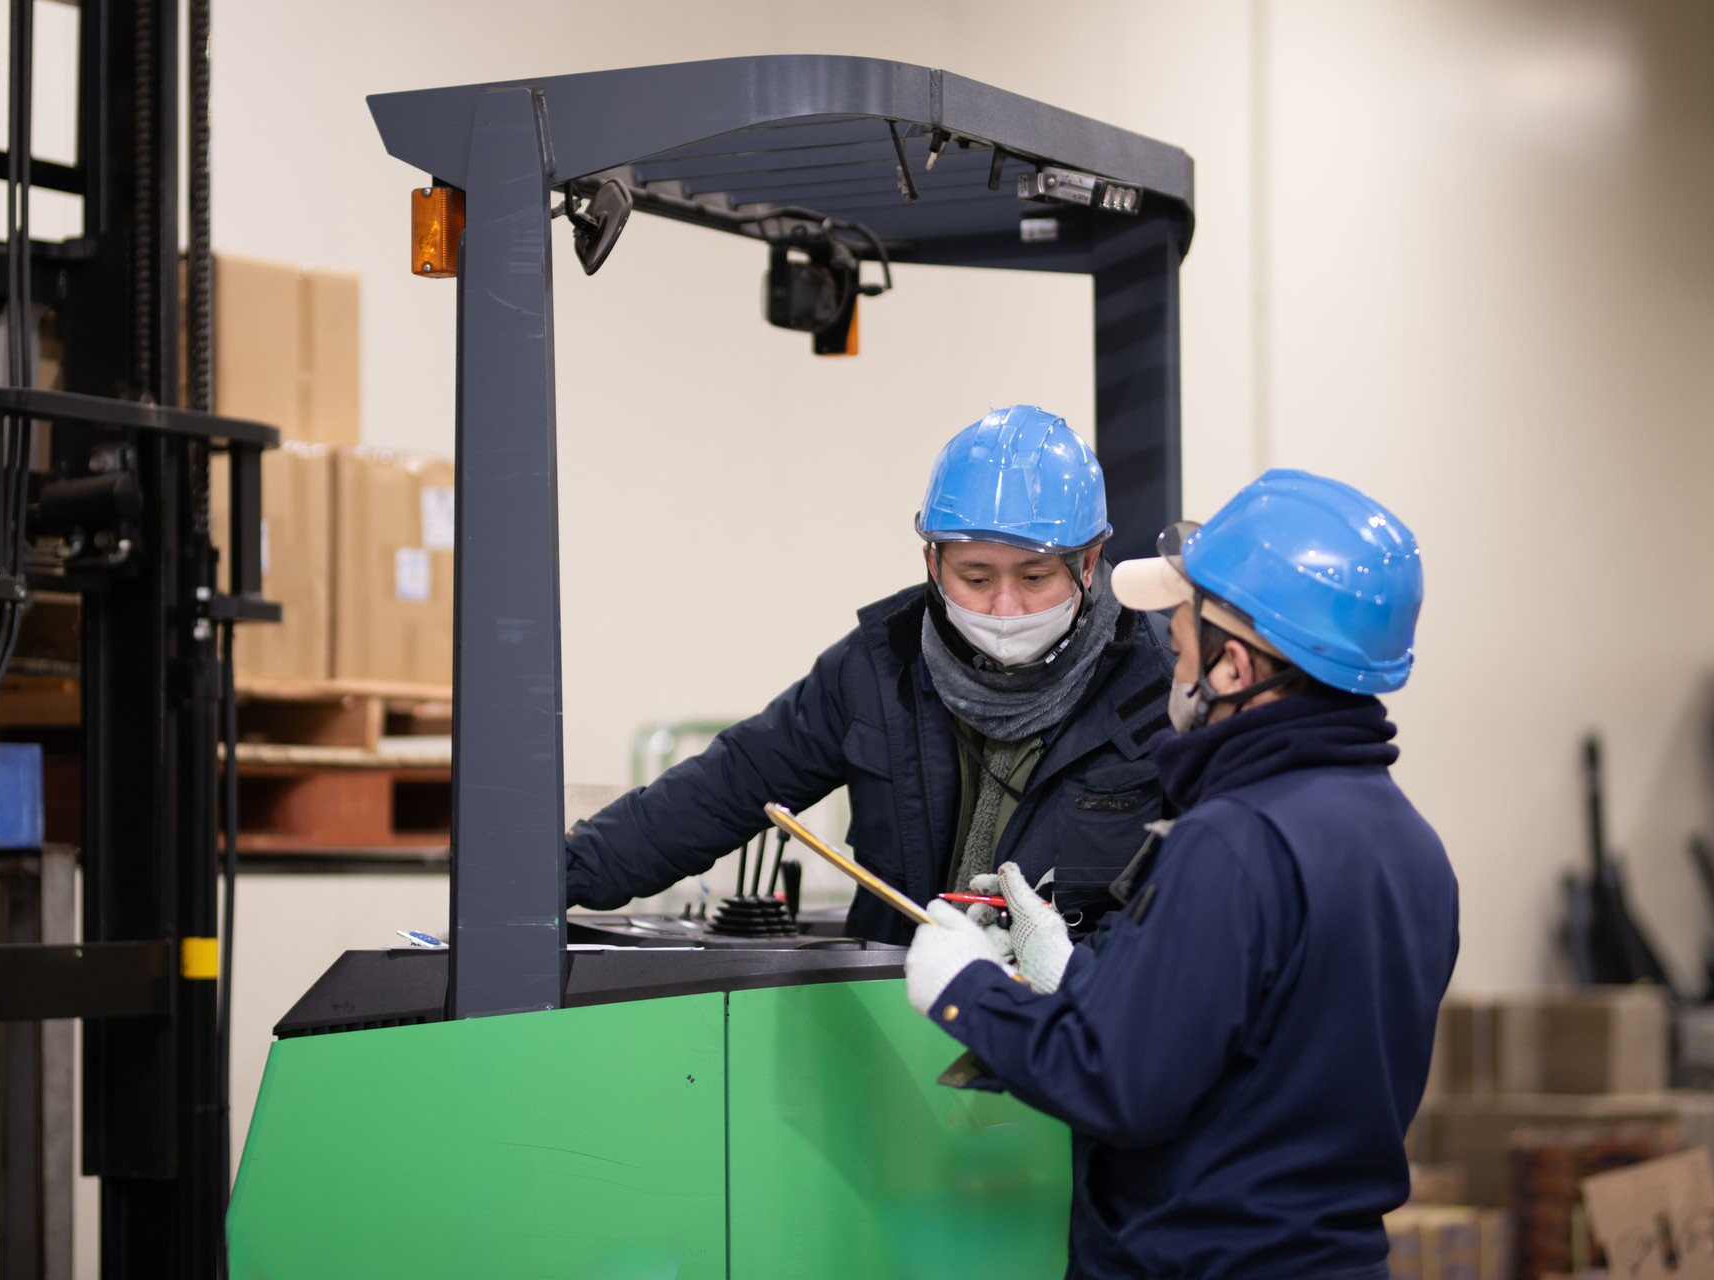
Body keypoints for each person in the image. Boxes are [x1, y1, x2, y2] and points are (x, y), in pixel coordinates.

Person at [904, 468, 1460, 1279]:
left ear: (1235, 668)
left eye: (1183, 630)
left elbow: (1120, 1087)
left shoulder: (1235, 841)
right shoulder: (1409, 844)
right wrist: (1078, 978)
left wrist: (967, 991)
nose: (1171, 649)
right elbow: (1256, 1052)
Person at [565, 405, 1176, 944]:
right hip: (896, 1023)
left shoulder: (1161, 691)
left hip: (1067, 1036)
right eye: (977, 577)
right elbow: (728, 783)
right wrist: (552, 877)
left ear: (1090, 562)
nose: (1004, 608)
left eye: (1035, 577)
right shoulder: (880, 666)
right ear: (932, 563)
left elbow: (1197, 905)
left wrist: (1067, 976)